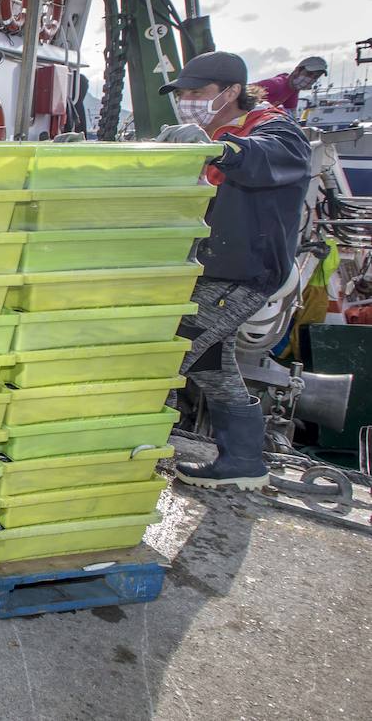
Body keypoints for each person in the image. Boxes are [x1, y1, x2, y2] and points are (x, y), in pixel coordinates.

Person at [156, 51, 312, 489]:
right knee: (209, 363)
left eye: (196, 92)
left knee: (165, 353)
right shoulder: (205, 132)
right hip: (206, 268)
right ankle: (243, 461)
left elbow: (267, 158)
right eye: (182, 93)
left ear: (231, 92)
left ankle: (129, 452)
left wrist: (221, 148)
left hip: (240, 274)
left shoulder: (274, 129)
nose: (187, 100)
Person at [253, 56, 327, 116]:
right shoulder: (276, 84)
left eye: (316, 77)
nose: (311, 79)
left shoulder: (293, 91)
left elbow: (291, 115)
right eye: (309, 74)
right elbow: (244, 91)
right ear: (297, 70)